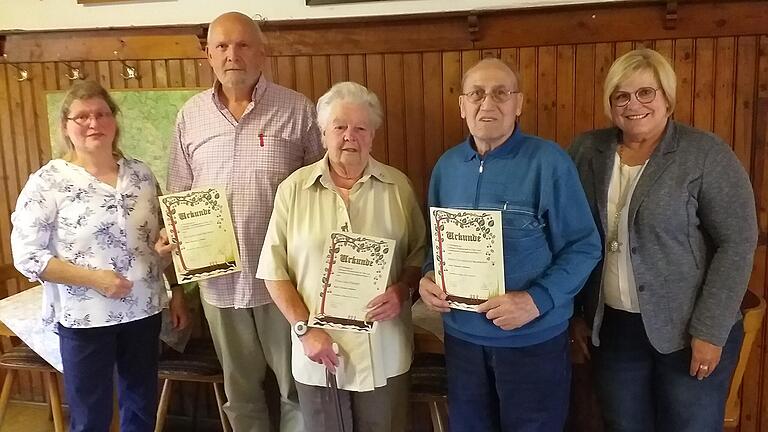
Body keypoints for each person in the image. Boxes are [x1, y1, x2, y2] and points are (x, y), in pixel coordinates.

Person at [568, 48, 758, 432]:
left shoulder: (704, 153)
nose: (633, 104)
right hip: (614, 328)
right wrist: (574, 314)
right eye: (621, 95)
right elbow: (571, 235)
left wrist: (710, 329)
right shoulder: (587, 151)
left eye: (645, 93)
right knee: (624, 424)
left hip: (688, 330)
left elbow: (737, 242)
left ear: (667, 98)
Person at [418, 58, 602, 431]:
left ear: (519, 104)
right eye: (477, 93)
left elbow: (585, 246)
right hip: (462, 340)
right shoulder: (447, 167)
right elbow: (433, 245)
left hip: (532, 341)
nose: (488, 103)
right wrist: (426, 278)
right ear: (462, 106)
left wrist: (537, 300)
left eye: (501, 93)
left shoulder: (549, 162)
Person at [162, 11, 324, 432]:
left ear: (262, 52)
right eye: (221, 46)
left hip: (285, 284)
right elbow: (178, 197)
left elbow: (321, 195)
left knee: (297, 390)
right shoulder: (189, 116)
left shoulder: (298, 110)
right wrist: (175, 261)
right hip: (218, 284)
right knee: (241, 392)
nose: (232, 54)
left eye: (242, 44)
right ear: (209, 57)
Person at [10, 80, 189, 432]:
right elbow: (28, 256)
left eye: (102, 114)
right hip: (85, 318)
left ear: (114, 121)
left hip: (144, 309)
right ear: (66, 126)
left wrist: (177, 289)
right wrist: (96, 280)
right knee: (90, 415)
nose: (94, 123)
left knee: (140, 406)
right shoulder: (48, 182)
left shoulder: (141, 175)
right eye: (82, 117)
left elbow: (163, 236)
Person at [256, 81, 426, 432]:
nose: (350, 136)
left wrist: (403, 290)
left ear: (373, 135)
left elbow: (418, 255)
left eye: (361, 128)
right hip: (318, 348)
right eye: (339, 127)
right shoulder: (293, 190)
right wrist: (304, 331)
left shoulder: (398, 187)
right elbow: (274, 273)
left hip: (384, 347)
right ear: (322, 134)